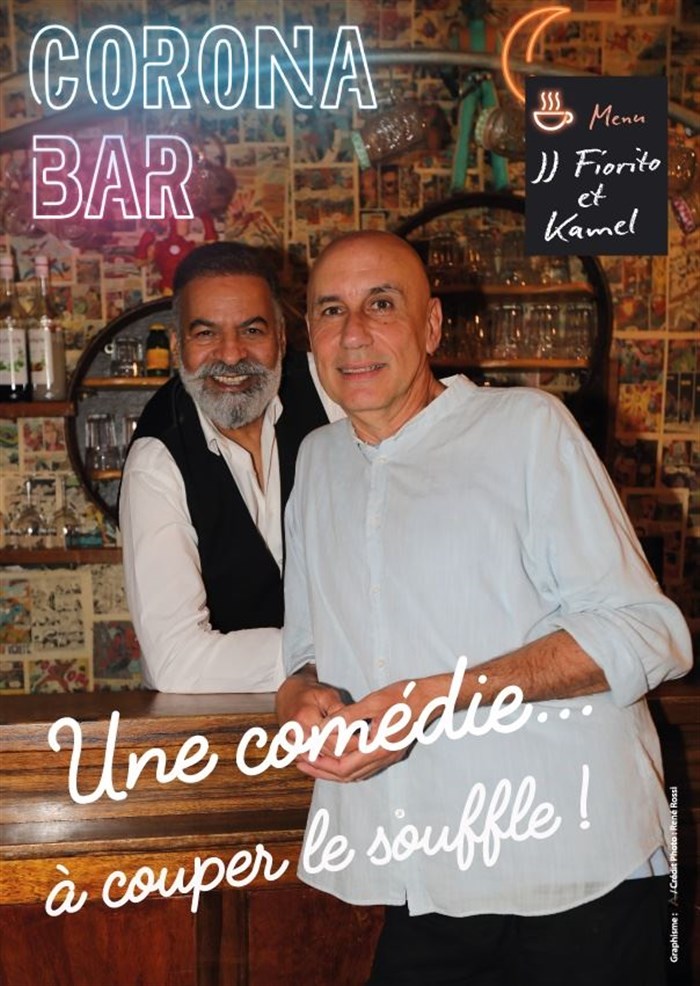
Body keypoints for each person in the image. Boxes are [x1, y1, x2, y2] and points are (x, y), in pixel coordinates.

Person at [276, 231, 692, 985]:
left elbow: (645, 631)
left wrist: (434, 696)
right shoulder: (317, 460)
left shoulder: (526, 427)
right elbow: (306, 649)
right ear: (310, 334)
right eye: (331, 310)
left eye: (382, 304)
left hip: (577, 874)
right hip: (428, 879)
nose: (354, 333)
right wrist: (298, 697)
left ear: (432, 325)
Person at [120, 242, 341, 692]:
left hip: (369, 705)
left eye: (252, 330)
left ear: (281, 337)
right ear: (178, 346)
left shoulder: (331, 389)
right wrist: (339, 654)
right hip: (226, 718)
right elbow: (176, 661)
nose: (233, 355)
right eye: (206, 334)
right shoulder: (158, 458)